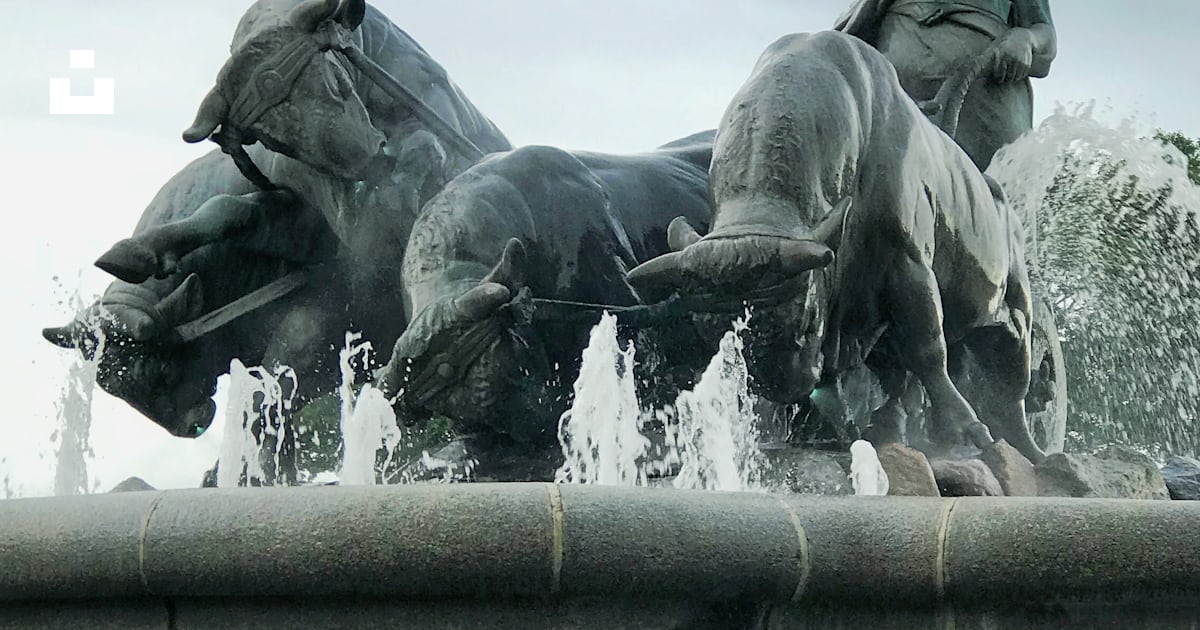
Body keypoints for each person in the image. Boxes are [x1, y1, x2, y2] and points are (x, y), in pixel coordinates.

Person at [836, 0, 1057, 170]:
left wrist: (1027, 38)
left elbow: (1044, 34)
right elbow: (855, 27)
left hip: (983, 94)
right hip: (895, 91)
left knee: (992, 207)